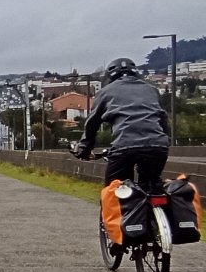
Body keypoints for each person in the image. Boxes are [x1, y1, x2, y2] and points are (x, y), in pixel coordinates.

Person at [73, 57, 170, 188]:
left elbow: (93, 122)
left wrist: (85, 148)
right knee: (152, 186)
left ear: (110, 77)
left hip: (124, 146)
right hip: (157, 146)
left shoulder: (105, 92)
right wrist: (164, 140)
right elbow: (162, 118)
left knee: (114, 190)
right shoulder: (152, 89)